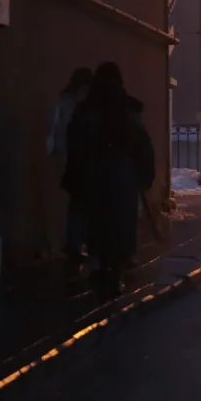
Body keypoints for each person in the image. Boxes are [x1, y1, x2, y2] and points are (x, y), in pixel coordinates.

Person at [63, 62, 155, 300]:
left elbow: (74, 144)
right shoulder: (126, 110)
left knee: (96, 223)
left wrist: (75, 175)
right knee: (120, 224)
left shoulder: (86, 111)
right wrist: (145, 175)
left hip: (93, 177)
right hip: (121, 177)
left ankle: (99, 266)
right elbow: (142, 145)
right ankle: (116, 269)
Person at [47, 67, 93, 275]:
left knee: (77, 204)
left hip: (70, 162)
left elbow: (55, 130)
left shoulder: (63, 101)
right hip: (81, 162)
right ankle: (78, 244)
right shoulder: (83, 104)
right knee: (84, 205)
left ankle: (74, 245)